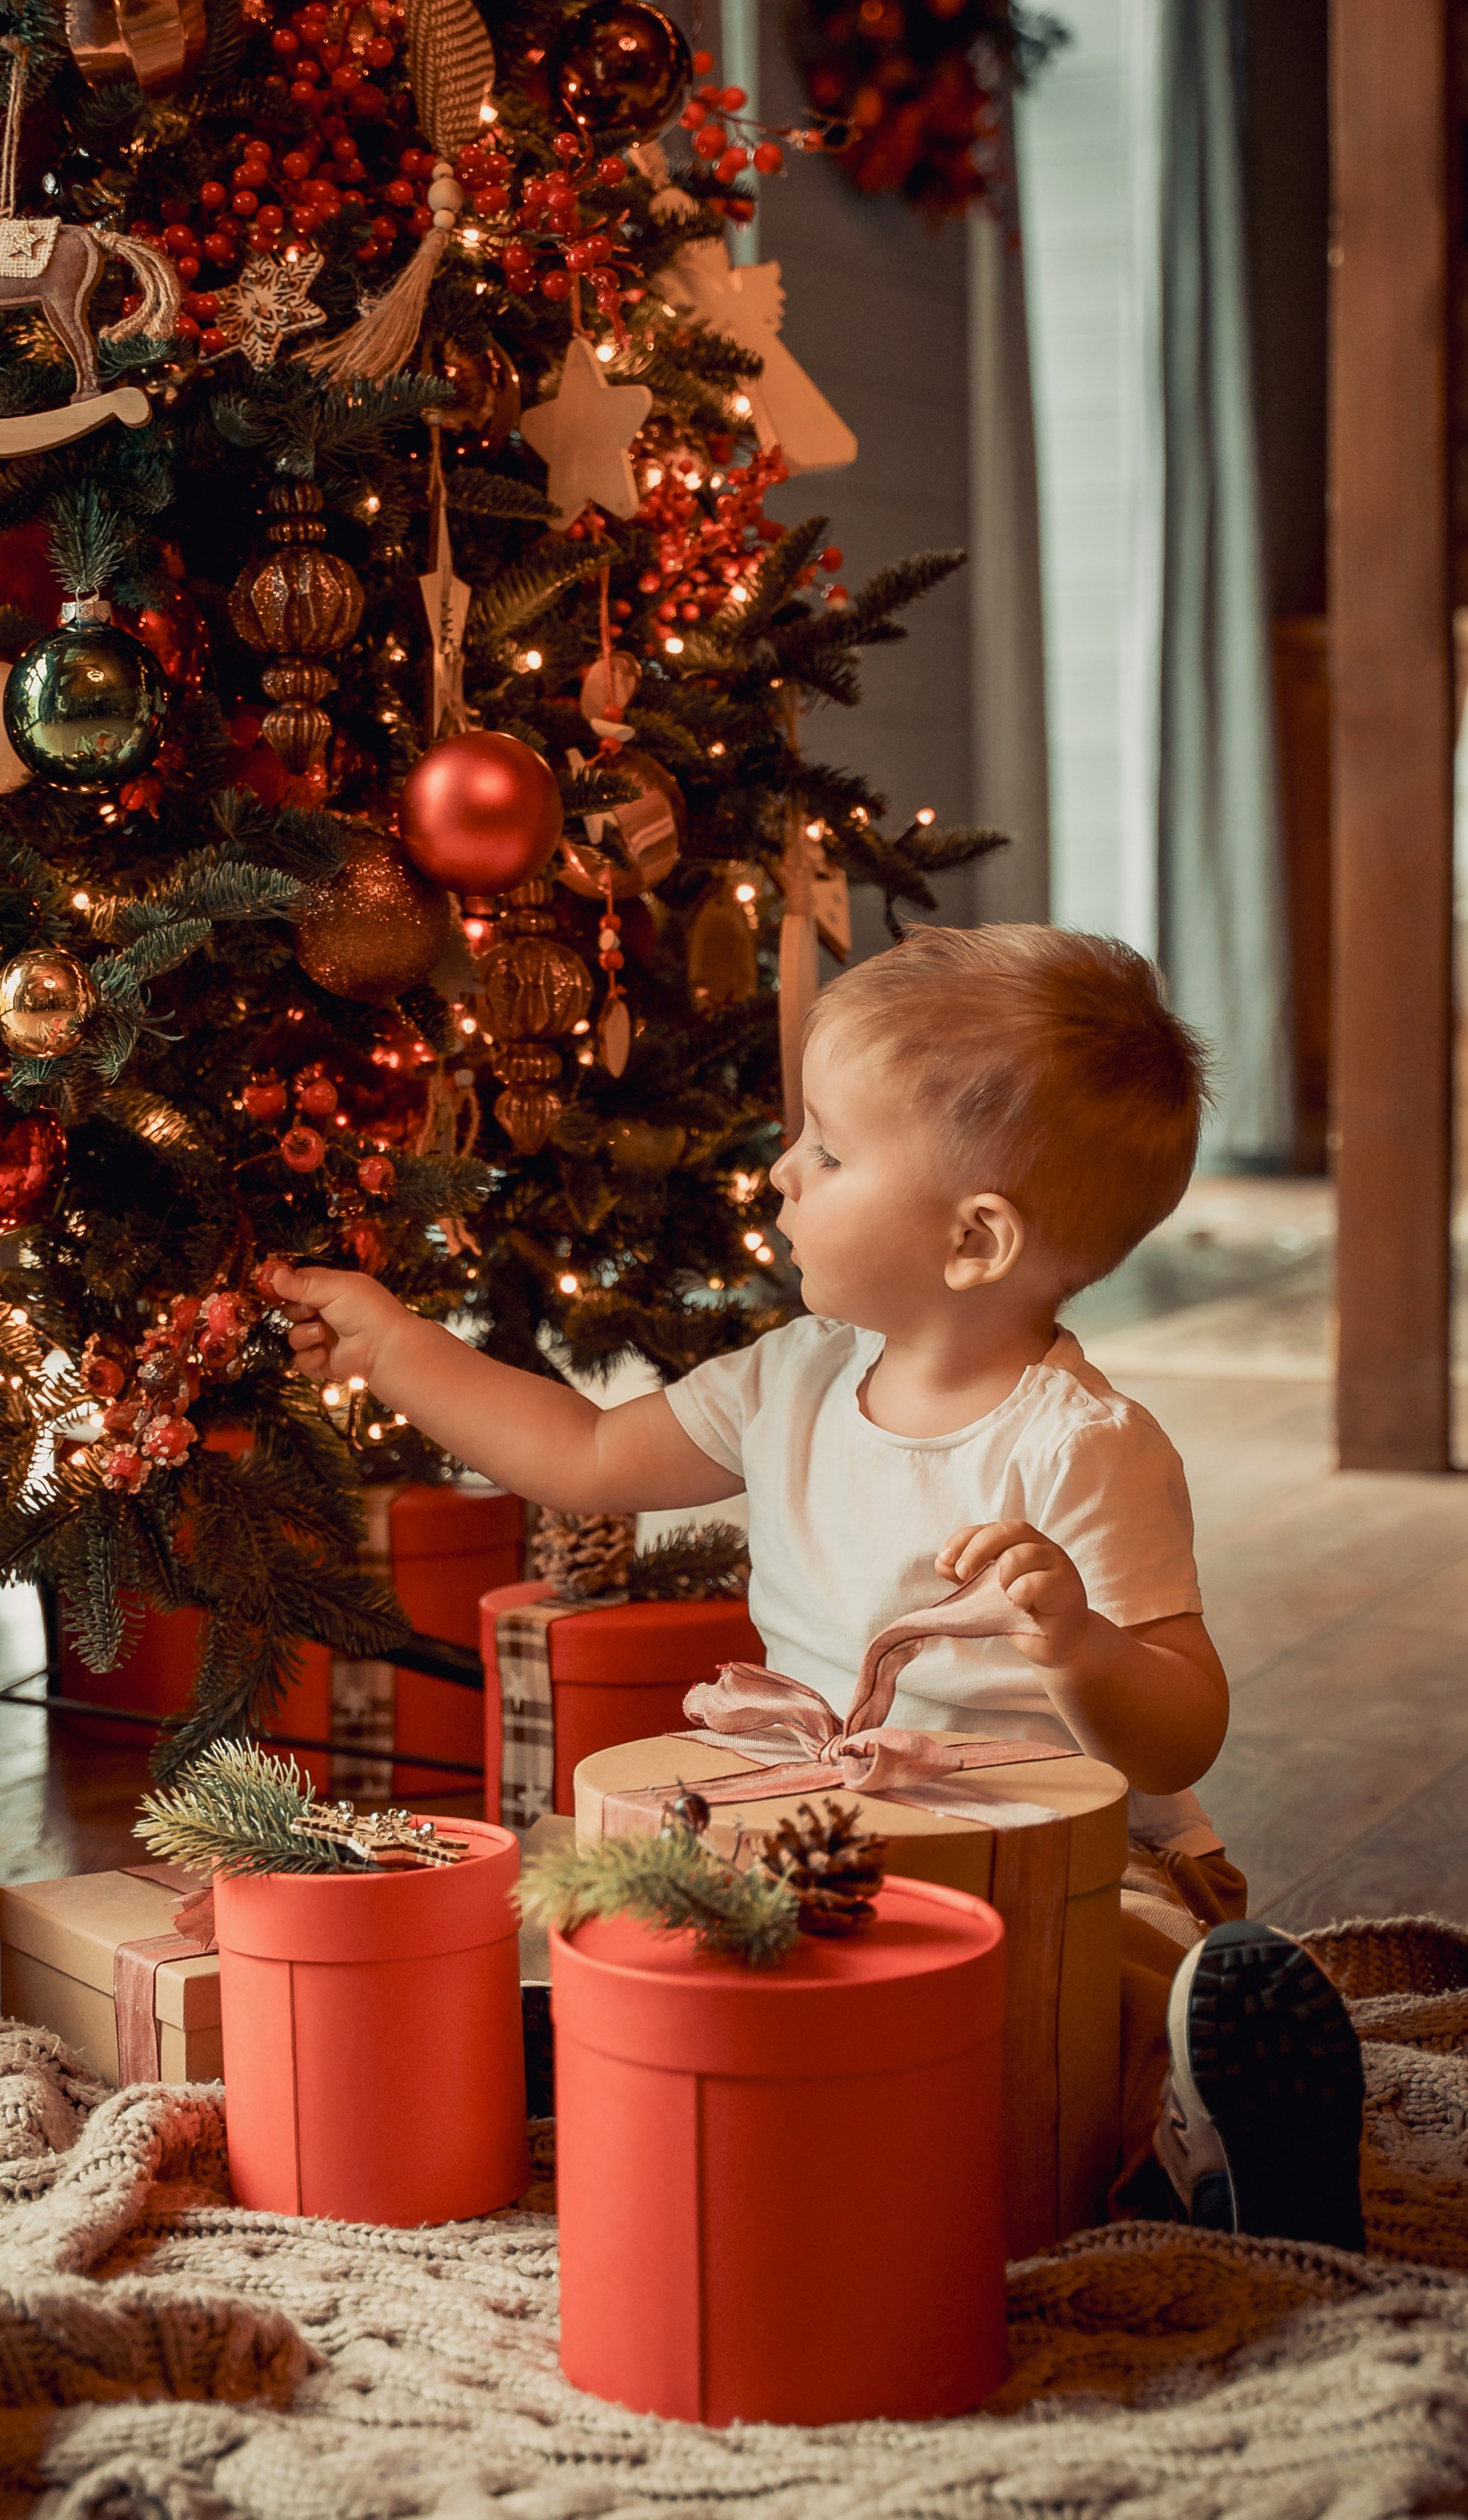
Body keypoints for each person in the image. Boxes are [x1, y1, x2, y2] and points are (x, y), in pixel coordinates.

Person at [274, 925, 1365, 2248]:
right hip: (818, 1828)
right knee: (657, 1913)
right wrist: (393, 1343)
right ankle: (612, 2057)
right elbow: (583, 1451)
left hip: (1059, 1853)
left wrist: (1077, 1643)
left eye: (830, 1152)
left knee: (1105, 1970)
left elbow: (1185, 1726)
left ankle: (1213, 2124)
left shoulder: (1078, 1446)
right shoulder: (790, 1381)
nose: (781, 1170)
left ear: (975, 1239)